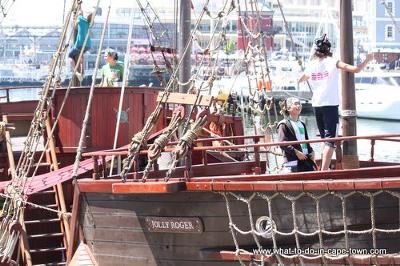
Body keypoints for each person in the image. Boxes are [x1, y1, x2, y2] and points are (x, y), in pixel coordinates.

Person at [299, 34, 373, 170]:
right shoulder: (333, 62)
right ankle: (323, 172)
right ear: (328, 49)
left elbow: (300, 79)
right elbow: (355, 69)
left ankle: (322, 168)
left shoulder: (311, 65)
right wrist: (367, 60)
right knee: (330, 141)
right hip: (330, 105)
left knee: (324, 139)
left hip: (316, 104)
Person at [277, 97, 316, 173]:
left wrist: (312, 151)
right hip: (292, 162)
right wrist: (296, 152)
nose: (299, 105)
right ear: (288, 108)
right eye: (296, 104)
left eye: (299, 103)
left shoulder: (302, 124)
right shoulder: (283, 124)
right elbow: (282, 143)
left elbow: (306, 142)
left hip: (305, 159)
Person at [68, 9, 93, 82]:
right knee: (81, 55)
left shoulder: (79, 18)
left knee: (70, 56)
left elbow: (75, 27)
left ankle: (76, 72)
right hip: (88, 45)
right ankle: (83, 72)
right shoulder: (89, 22)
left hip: (79, 44)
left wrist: (77, 16)